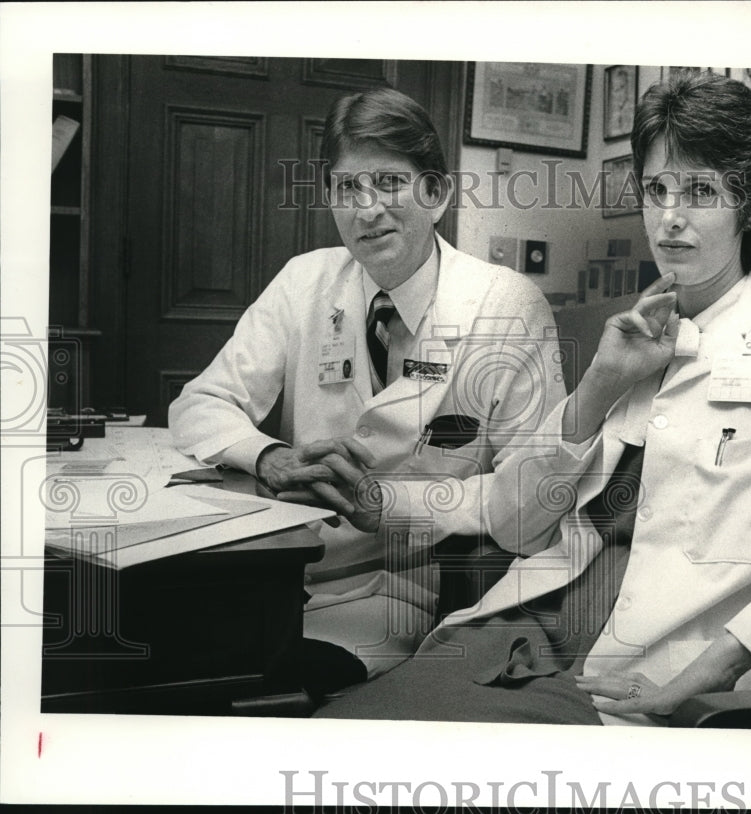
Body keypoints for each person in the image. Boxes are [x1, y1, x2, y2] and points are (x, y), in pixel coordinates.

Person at [313, 73, 751, 727]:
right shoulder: (630, 342)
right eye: (656, 189)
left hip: (644, 688)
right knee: (332, 734)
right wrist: (597, 389)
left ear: (749, 205)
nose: (670, 216)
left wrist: (731, 657)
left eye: (700, 191)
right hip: (512, 640)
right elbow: (517, 526)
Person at [169, 87, 565, 693]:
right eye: (347, 188)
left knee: (241, 687)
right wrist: (269, 457)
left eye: (388, 182)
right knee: (162, 660)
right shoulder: (306, 281)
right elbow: (199, 404)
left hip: (399, 591)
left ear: (437, 194)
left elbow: (531, 503)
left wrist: (392, 505)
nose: (367, 208)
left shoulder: (505, 307)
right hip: (277, 573)